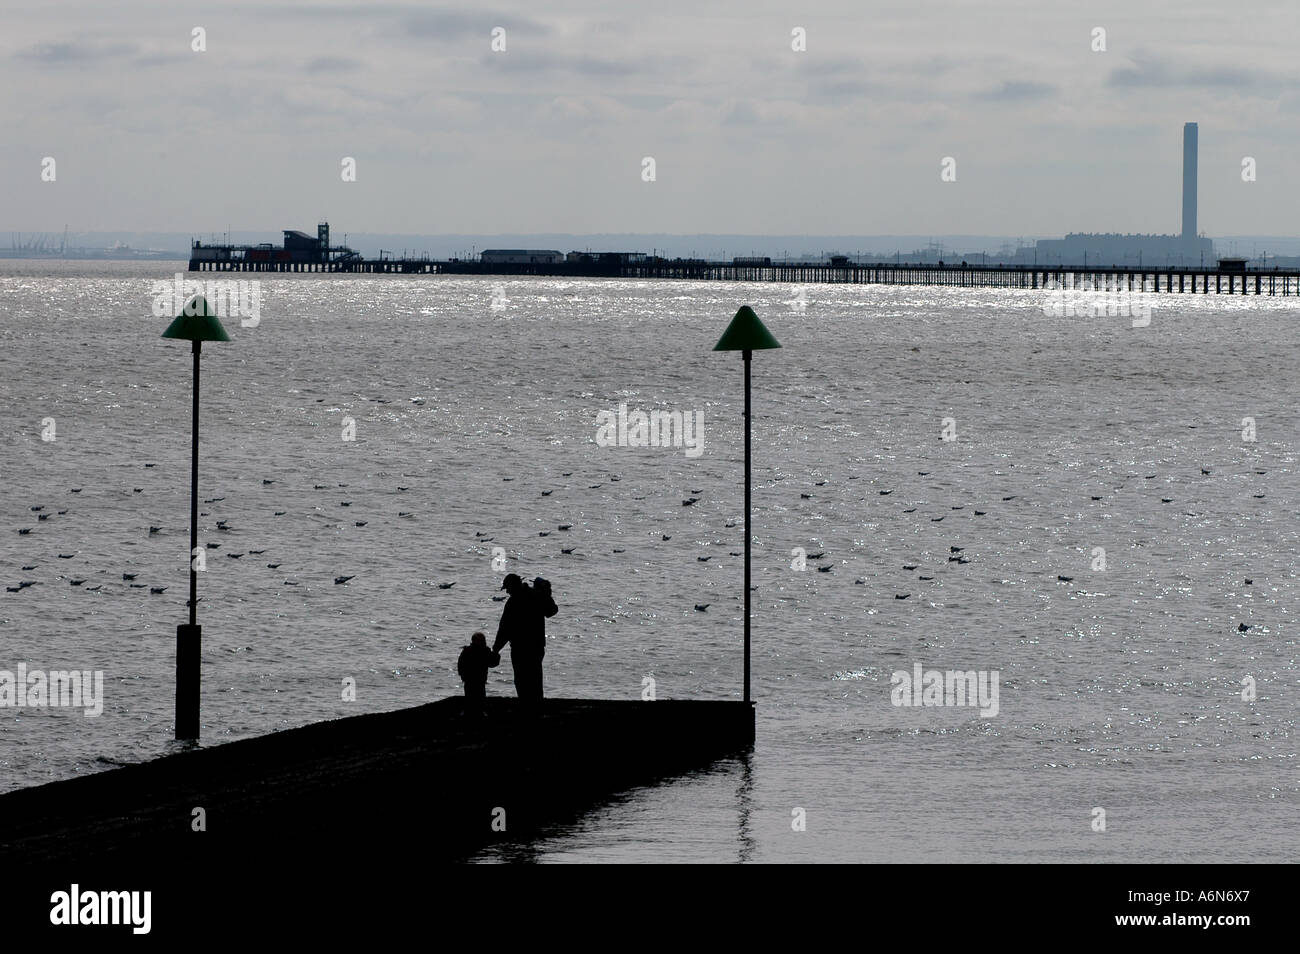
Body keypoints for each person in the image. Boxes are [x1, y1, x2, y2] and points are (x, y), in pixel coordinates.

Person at [492, 574, 558, 702]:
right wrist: (547, 594)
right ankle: (536, 709)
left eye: (507, 588)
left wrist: (496, 649)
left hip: (520, 648)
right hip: (536, 646)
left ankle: (525, 709)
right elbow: (551, 611)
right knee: (535, 680)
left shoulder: (513, 602)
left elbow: (504, 629)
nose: (507, 591)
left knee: (521, 681)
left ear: (513, 586)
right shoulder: (537, 595)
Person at [456, 631, 499, 715]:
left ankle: (475, 711)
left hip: (477, 679)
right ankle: (473, 711)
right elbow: (461, 664)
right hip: (471, 679)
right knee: (473, 696)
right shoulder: (478, 651)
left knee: (477, 696)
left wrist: (496, 655)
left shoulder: (475, 651)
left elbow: (492, 663)